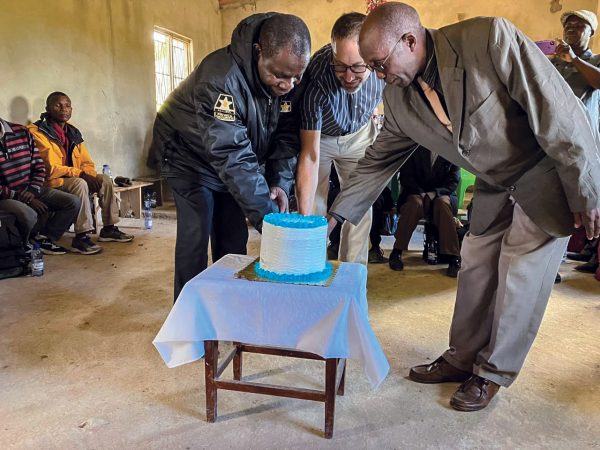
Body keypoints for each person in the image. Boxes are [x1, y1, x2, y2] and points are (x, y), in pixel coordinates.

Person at [328, 2, 600, 411]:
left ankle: (492, 373)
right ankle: (460, 357)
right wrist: (331, 219)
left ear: (410, 40)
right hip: (494, 186)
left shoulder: (489, 39)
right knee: (475, 266)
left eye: (380, 65)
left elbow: (557, 110)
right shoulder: (399, 100)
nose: (380, 77)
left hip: (543, 173)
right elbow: (377, 160)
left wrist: (587, 189)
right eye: (373, 69)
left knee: (519, 274)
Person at [150, 13, 311, 301]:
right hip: (187, 156)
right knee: (195, 234)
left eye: (296, 76)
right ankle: (190, 322)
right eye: (279, 75)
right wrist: (271, 224)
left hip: (231, 157)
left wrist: (277, 183)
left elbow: (286, 138)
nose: (289, 84)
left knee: (234, 238)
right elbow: (231, 155)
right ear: (258, 51)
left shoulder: (291, 77)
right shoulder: (220, 78)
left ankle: (228, 307)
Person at [295, 12, 384, 265]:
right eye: (340, 66)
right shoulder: (315, 77)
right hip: (322, 138)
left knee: (360, 207)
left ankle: (352, 272)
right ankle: (309, 265)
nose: (348, 77)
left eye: (357, 67)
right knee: (314, 204)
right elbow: (310, 154)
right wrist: (305, 220)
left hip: (359, 136)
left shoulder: (385, 64)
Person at [28, 92, 133, 255]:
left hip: (73, 177)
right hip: (50, 182)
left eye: (67, 105)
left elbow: (86, 162)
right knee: (80, 183)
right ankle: (81, 236)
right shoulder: (37, 132)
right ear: (47, 108)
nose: (64, 109)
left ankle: (109, 228)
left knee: (104, 179)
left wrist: (89, 175)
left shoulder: (73, 132)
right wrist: (81, 175)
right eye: (58, 105)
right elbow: (50, 169)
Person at [552, 10, 600, 277]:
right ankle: (551, 262)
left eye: (579, 25)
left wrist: (574, 59)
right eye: (568, 24)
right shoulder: (555, 63)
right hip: (553, 141)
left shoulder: (595, 61)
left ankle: (563, 254)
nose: (571, 28)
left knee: (576, 204)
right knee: (553, 201)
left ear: (591, 32)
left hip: (581, 145)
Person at [0, 117, 79, 254]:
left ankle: (44, 239)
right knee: (29, 214)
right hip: (6, 196)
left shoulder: (21, 132)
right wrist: (23, 197)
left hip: (30, 189)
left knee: (72, 202)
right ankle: (22, 247)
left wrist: (32, 190)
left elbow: (39, 166)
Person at [389, 148, 461, 277]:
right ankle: (397, 251)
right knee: (414, 204)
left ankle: (453, 257)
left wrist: (435, 193)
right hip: (416, 192)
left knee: (442, 205)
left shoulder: (452, 151)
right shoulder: (415, 149)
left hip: (443, 193)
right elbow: (406, 177)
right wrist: (422, 193)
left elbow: (453, 181)